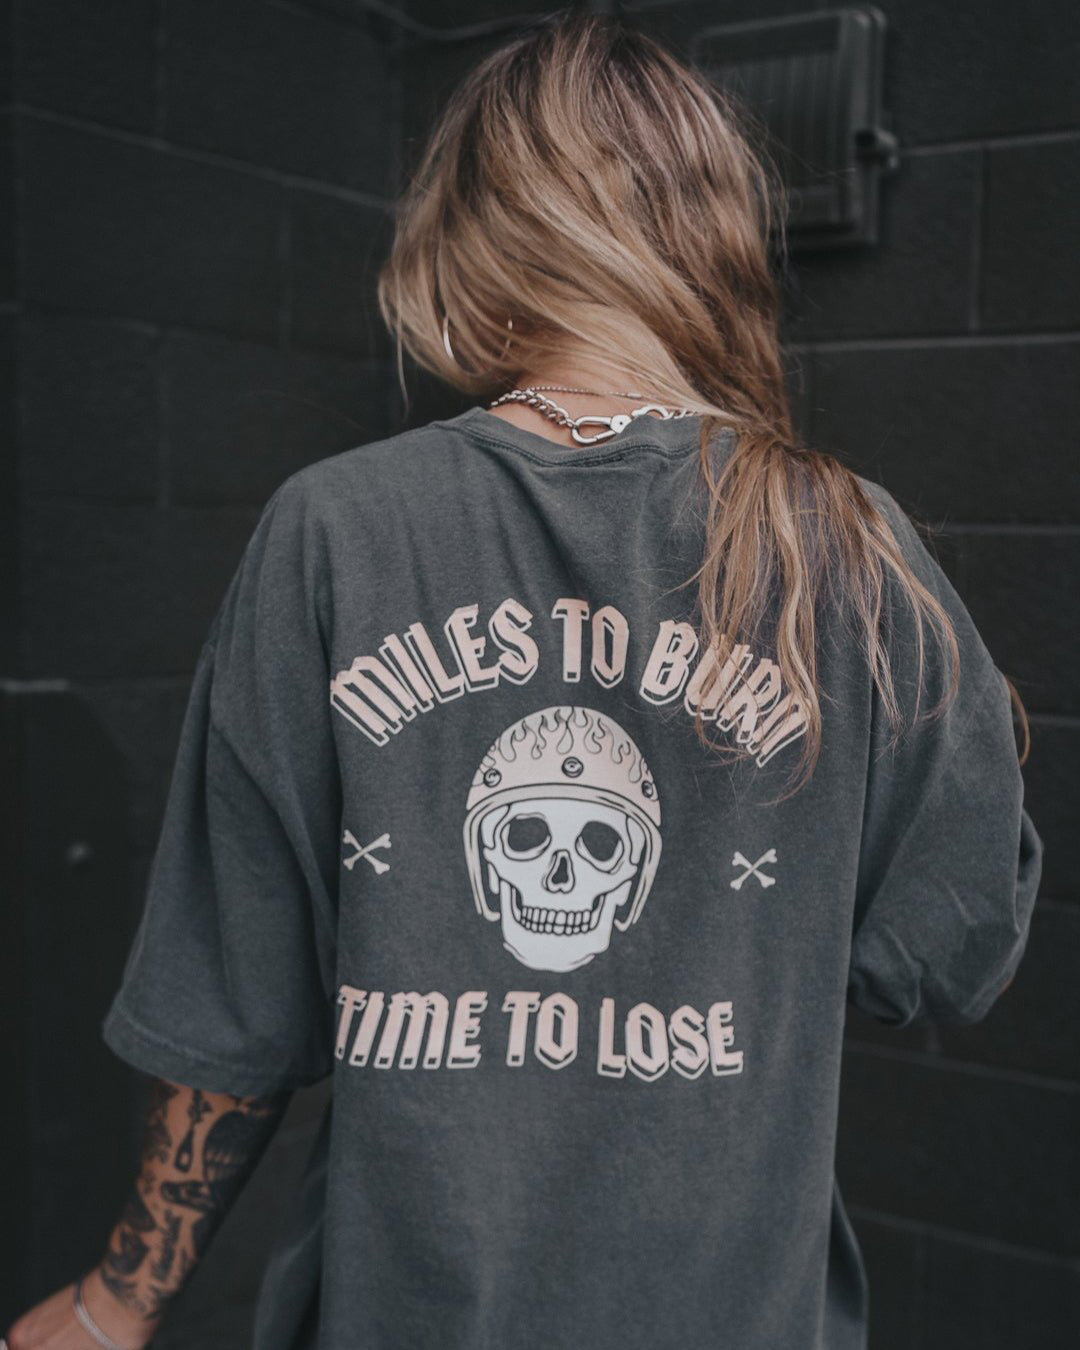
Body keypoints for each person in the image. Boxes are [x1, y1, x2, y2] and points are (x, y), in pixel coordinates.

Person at [4, 10, 1043, 1350]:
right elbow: (955, 946)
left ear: (480, 236)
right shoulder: (846, 544)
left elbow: (234, 1000)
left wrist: (120, 1298)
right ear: (702, 233)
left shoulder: (337, 531)